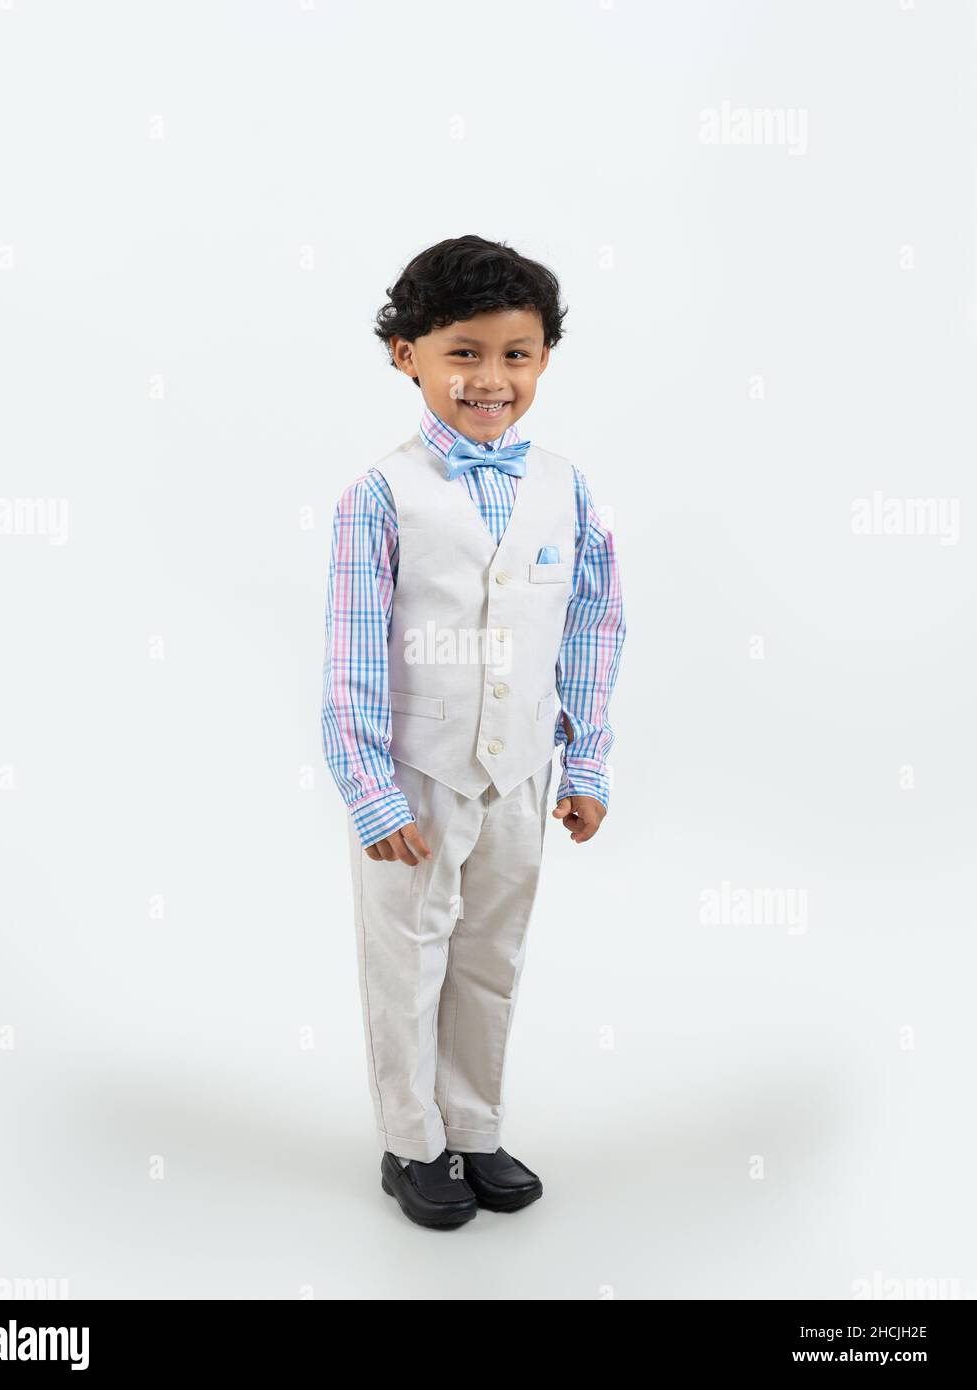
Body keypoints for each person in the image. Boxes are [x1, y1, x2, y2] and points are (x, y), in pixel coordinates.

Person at [320, 234, 626, 1229]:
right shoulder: (381, 496)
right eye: (463, 351)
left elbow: (591, 626)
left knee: (492, 954)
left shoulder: (567, 488)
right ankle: (412, 1142)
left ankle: (476, 1125)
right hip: (416, 777)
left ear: (542, 358)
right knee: (407, 960)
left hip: (522, 777)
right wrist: (369, 791)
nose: (490, 378)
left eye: (515, 352)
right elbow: (352, 657)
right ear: (405, 353)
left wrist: (585, 761)